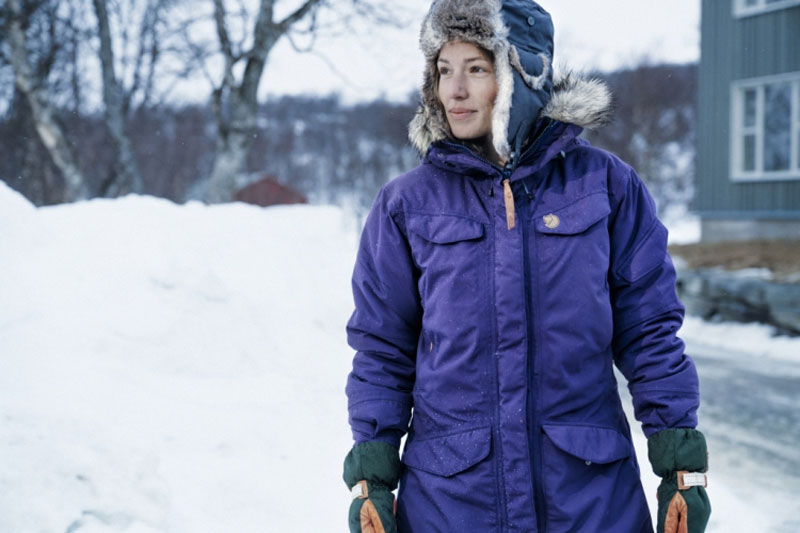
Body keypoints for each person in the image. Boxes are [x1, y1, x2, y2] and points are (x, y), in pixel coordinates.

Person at [342, 1, 711, 532]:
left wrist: (681, 465)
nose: (454, 91)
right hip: (452, 501)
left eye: (476, 68)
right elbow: (382, 346)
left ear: (524, 74)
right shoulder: (407, 204)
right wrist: (370, 478)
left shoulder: (605, 185)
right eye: (444, 70)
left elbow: (649, 331)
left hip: (588, 497)